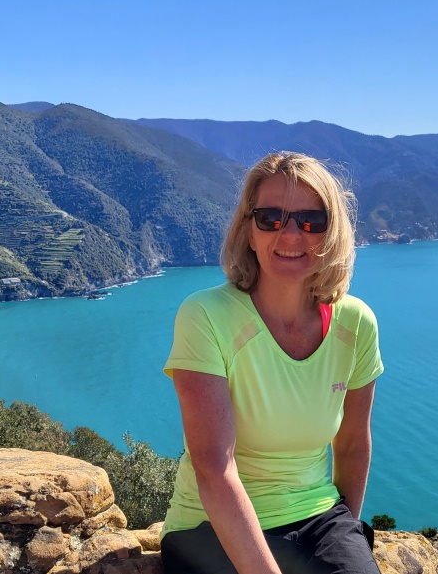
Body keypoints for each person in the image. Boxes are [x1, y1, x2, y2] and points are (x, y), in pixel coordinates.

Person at [160, 152, 385, 574]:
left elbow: (353, 445)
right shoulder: (205, 315)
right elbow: (214, 470)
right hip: (210, 529)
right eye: (270, 218)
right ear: (248, 231)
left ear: (332, 233)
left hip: (319, 519)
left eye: (311, 220)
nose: (291, 234)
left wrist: (347, 541)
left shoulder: (356, 324)